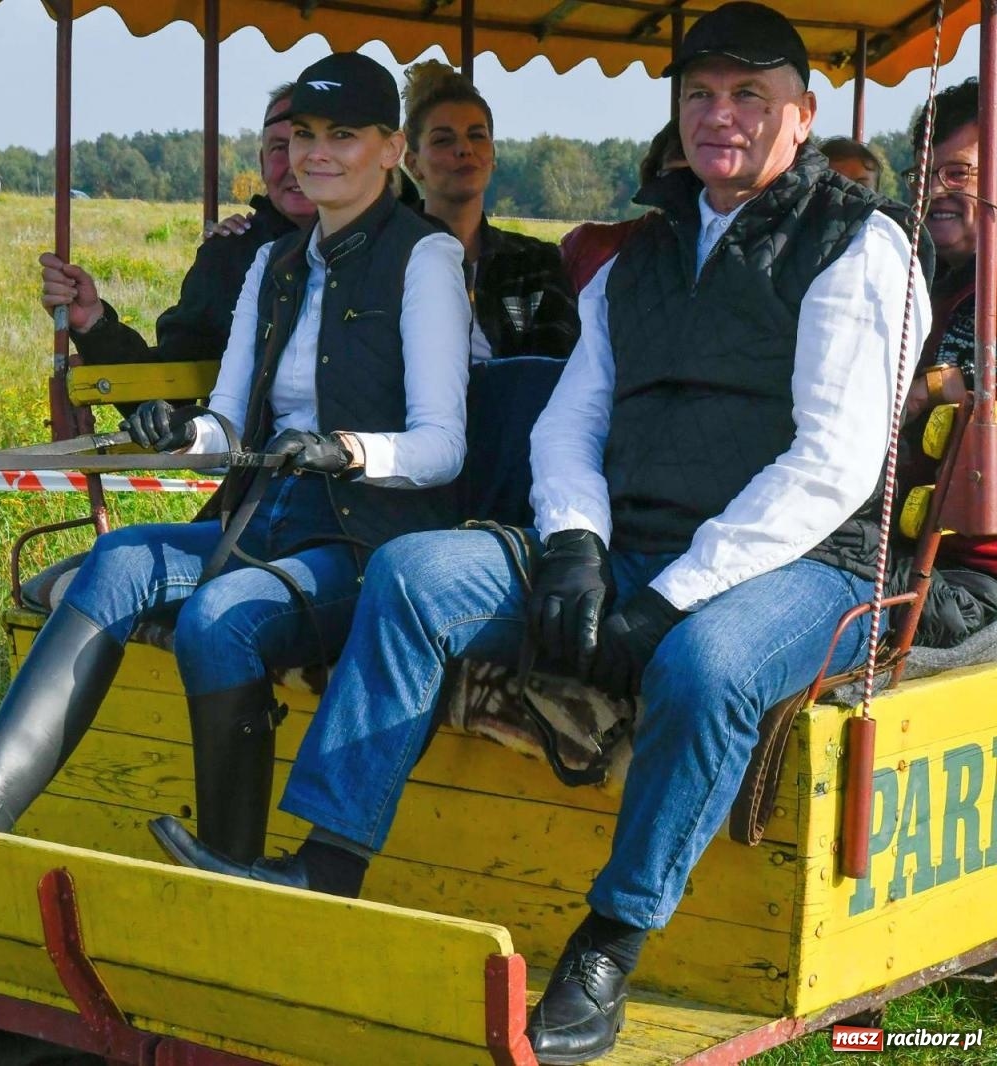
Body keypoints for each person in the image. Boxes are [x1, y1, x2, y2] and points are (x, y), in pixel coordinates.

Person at [152, 5, 928, 1063]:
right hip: (629, 538)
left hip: (802, 563)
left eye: (750, 96)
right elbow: (573, 418)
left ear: (800, 113)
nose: (721, 117)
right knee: (420, 572)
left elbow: (831, 465)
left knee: (704, 668)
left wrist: (674, 596)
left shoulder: (856, 243)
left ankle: (608, 945)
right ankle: (326, 863)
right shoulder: (638, 255)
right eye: (700, 94)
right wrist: (572, 543)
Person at [0, 52, 472, 871]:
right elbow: (226, 426)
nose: (316, 153)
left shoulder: (426, 259)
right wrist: (178, 433)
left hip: (364, 541)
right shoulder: (272, 263)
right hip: (262, 517)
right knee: (116, 559)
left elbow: (445, 447)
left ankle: (231, 864)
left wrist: (348, 449)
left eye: (343, 135)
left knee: (222, 620)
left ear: (391, 149)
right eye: (301, 136)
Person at [38, 83, 315, 383]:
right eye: (280, 148)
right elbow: (172, 383)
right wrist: (94, 322)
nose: (294, 165)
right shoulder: (230, 257)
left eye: (309, 145)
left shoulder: (372, 256)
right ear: (262, 163)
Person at [893, 77, 997, 644]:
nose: (934, 191)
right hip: (906, 546)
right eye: (924, 176)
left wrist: (925, 390)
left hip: (977, 577)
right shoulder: (921, 280)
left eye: (957, 173)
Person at [400, 60, 580, 361]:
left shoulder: (535, 262)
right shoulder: (386, 257)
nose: (464, 149)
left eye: (477, 136)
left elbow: (556, 367)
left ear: (493, 156)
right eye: (443, 140)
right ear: (413, 163)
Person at [559, 121, 687, 292]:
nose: (695, 192)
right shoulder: (591, 246)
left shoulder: (590, 245)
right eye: (681, 179)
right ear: (654, 181)